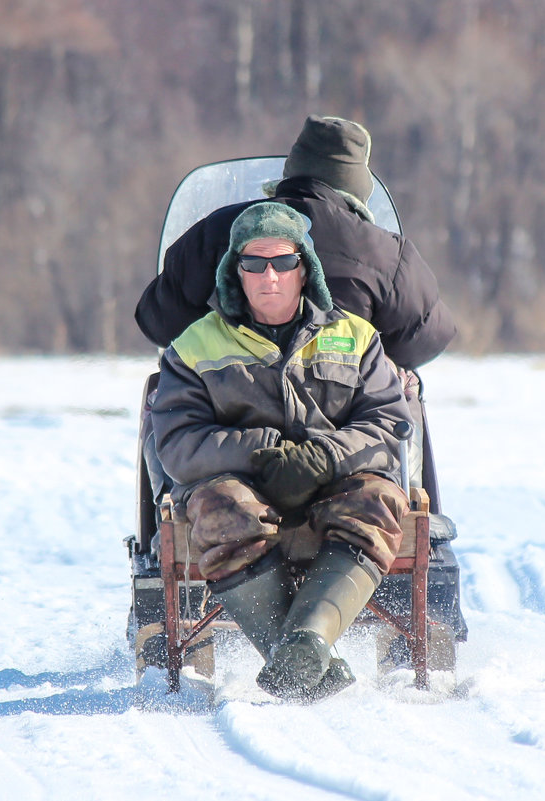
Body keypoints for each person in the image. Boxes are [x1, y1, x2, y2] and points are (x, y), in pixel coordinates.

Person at [150, 202, 411, 701]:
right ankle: (301, 660)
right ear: (236, 272)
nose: (270, 276)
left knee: (378, 500)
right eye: (254, 263)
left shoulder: (356, 336)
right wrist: (260, 453)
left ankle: (308, 640)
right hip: (242, 488)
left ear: (304, 268)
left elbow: (388, 423)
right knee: (221, 507)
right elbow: (178, 444)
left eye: (284, 262)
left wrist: (325, 458)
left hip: (335, 483)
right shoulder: (193, 346)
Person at [136, 115, 456, 371]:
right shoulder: (388, 254)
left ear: (290, 172)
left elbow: (159, 323)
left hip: (228, 424)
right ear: (358, 189)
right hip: (347, 434)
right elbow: (427, 338)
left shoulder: (216, 230)